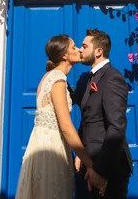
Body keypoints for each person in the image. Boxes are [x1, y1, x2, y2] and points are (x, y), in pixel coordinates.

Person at [16, 34, 94, 199]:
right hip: (50, 148)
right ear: (64, 55)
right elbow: (65, 125)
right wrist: (88, 161)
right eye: (74, 47)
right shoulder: (57, 80)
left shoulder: (48, 78)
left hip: (41, 143)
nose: (79, 50)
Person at [76, 29, 133, 199]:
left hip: (110, 169)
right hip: (91, 163)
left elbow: (117, 127)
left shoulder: (111, 78)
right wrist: (82, 154)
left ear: (98, 51)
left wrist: (101, 171)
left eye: (84, 46)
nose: (80, 49)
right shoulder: (90, 79)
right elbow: (88, 119)